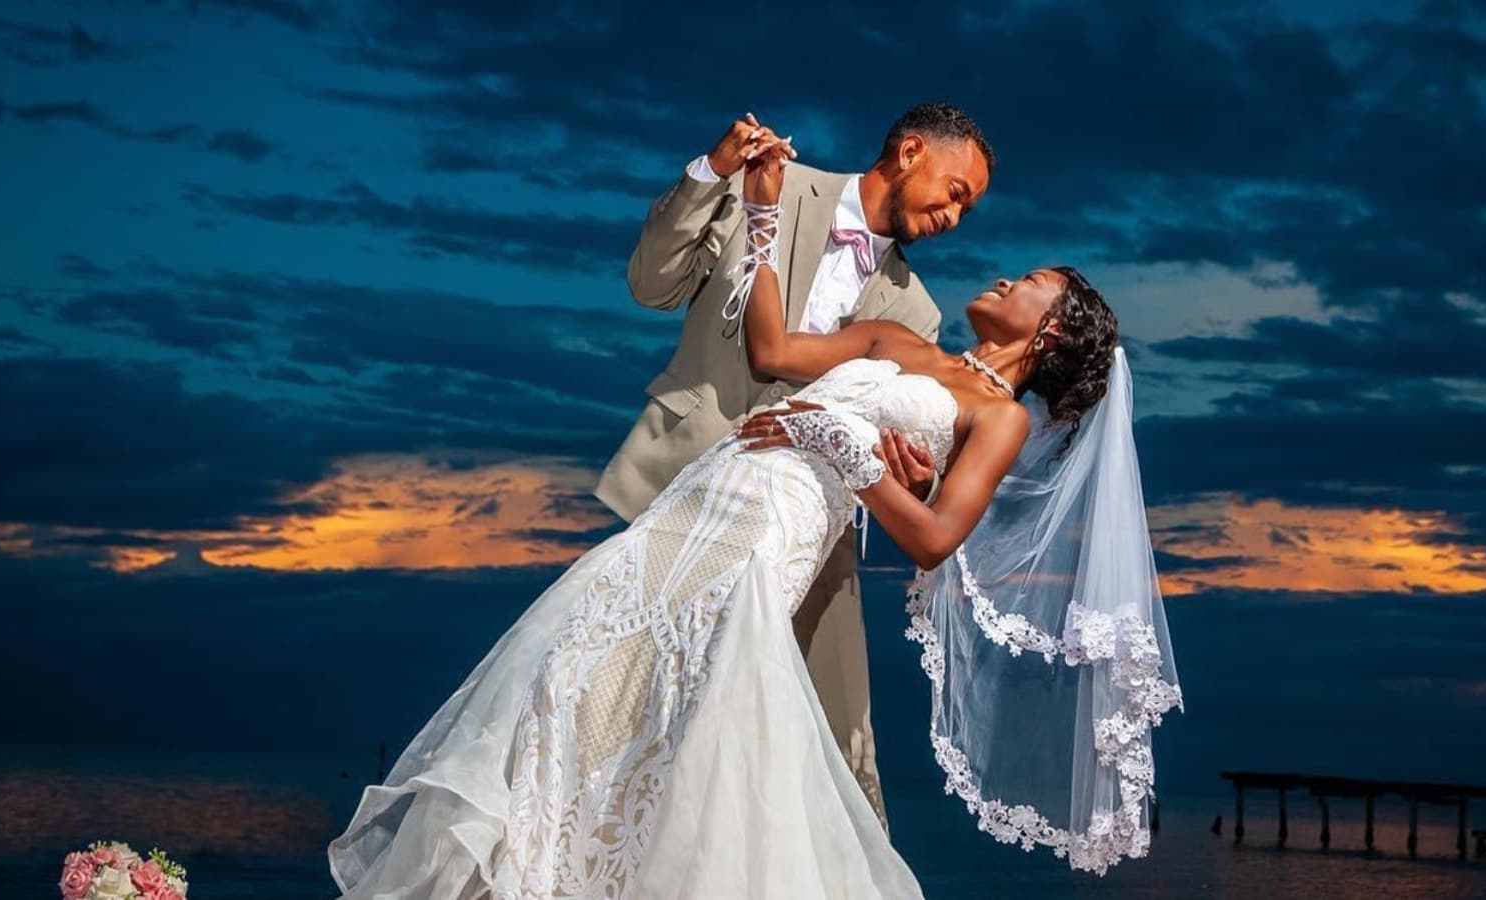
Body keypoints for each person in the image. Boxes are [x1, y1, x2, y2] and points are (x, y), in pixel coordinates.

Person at [326, 130, 1147, 898]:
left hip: (772, 534)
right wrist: (757, 215)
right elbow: (773, 353)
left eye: (1032, 282)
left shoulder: (990, 406)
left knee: (702, 727)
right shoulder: (899, 342)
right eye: (958, 192)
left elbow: (932, 535)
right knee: (573, 679)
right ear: (909, 151)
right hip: (695, 496)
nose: (995, 261)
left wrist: (845, 445)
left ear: (1048, 333)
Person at [595, 104, 993, 824]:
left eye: (967, 207)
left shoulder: (919, 314)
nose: (955, 218)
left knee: (840, 743)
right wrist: (710, 174)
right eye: (956, 192)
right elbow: (651, 286)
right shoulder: (769, 182)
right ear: (909, 152)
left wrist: (915, 474)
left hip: (803, 532)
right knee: (628, 705)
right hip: (686, 483)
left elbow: (898, 444)